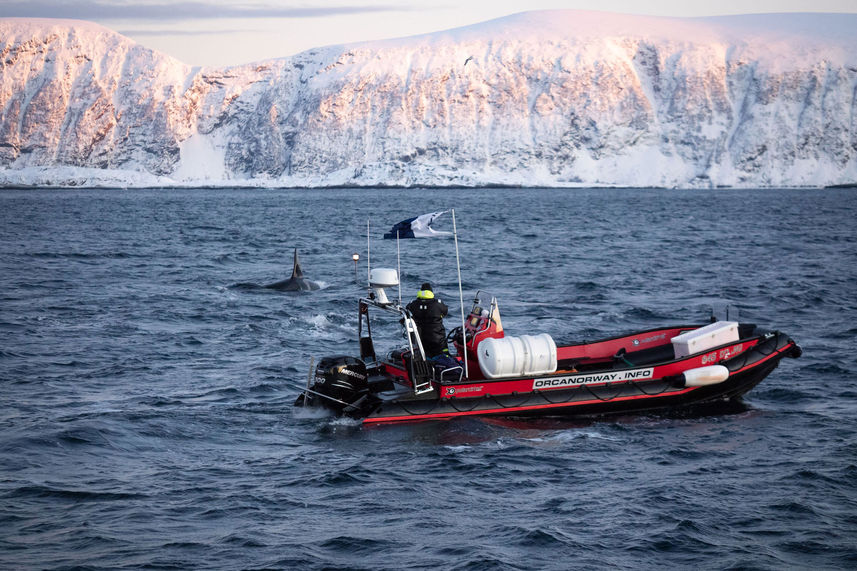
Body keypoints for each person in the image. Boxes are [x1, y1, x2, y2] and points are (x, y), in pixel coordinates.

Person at [406, 282, 450, 359]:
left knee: (424, 357)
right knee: (443, 357)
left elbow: (407, 311)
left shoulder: (413, 304)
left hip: (420, 339)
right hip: (437, 338)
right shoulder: (438, 304)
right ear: (431, 292)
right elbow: (445, 311)